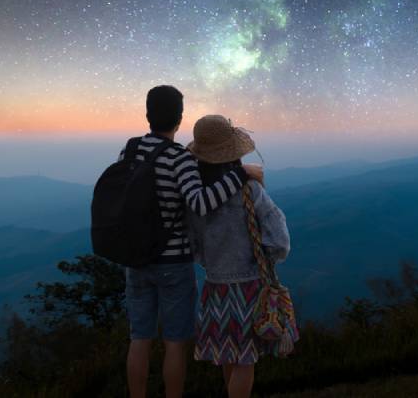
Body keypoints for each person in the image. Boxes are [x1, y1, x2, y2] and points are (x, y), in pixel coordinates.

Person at [121, 86, 262, 398]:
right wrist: (240, 176)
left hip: (135, 260)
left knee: (139, 338)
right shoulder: (179, 157)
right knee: (174, 343)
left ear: (147, 115)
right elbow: (200, 203)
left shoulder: (129, 151)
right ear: (179, 119)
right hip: (172, 263)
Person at [186, 114, 292, 398]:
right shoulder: (250, 189)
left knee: (228, 355)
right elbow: (277, 234)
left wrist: (210, 262)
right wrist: (270, 258)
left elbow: (194, 244)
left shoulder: (196, 198)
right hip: (249, 285)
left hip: (215, 285)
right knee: (246, 358)